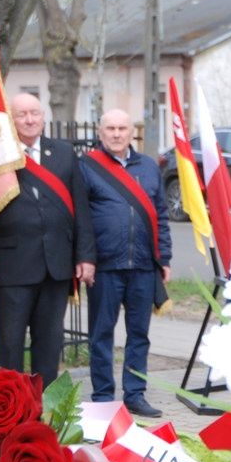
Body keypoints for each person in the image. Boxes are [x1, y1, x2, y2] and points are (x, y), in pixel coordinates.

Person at [0, 93, 96, 384]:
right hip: (12, 266)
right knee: (10, 345)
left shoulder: (63, 152)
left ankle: (43, 408)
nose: (30, 120)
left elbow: (80, 208)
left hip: (56, 266)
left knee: (49, 344)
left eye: (35, 113)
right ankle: (11, 410)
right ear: (11, 119)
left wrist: (85, 256)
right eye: (22, 114)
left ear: (44, 117)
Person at [81, 109, 170, 418]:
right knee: (101, 334)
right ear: (100, 131)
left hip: (144, 266)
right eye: (111, 128)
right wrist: (86, 259)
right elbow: (81, 219)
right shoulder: (87, 166)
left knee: (139, 334)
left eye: (122, 127)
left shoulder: (148, 166)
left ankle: (135, 394)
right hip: (105, 266)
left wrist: (165, 258)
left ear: (133, 131)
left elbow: (161, 215)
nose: (117, 134)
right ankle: (104, 397)